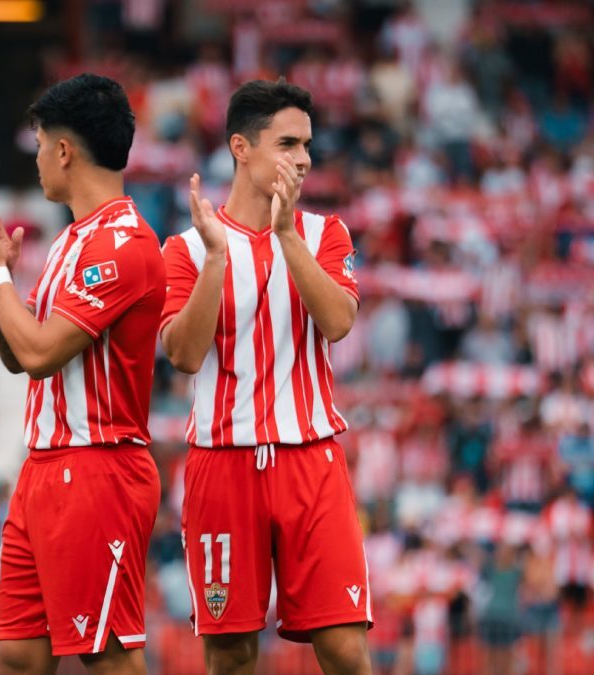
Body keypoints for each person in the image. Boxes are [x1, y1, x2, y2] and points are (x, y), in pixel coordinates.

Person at [0, 73, 165, 674]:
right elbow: (19, 356)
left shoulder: (124, 245)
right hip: (43, 468)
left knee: (107, 656)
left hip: (98, 467)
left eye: (39, 144)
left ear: (63, 150)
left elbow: (40, 353)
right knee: (17, 656)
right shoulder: (71, 243)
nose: (37, 160)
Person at [160, 79, 372, 674]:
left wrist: (283, 235)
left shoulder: (325, 234)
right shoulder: (185, 248)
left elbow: (337, 322)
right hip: (223, 464)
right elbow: (181, 354)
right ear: (241, 147)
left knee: (346, 648)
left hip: (311, 460)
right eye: (287, 143)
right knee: (230, 655)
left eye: (307, 145)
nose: (303, 159)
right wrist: (216, 261)